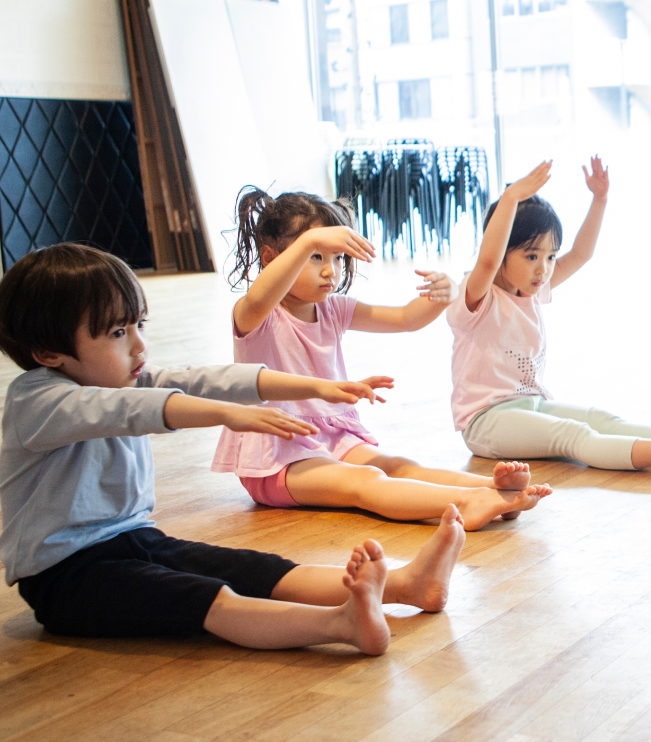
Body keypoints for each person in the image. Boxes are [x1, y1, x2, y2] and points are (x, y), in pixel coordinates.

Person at [0, 243, 470, 655]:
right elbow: (134, 410)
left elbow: (211, 379)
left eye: (139, 325)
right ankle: (339, 625)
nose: (139, 347)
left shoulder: (122, 377)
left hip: (134, 539)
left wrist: (318, 387)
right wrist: (229, 415)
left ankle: (408, 585)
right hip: (65, 578)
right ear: (49, 353)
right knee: (206, 597)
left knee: (252, 569)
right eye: (118, 333)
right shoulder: (38, 401)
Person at [212, 188, 552, 530]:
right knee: (365, 482)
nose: (331, 271)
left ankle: (493, 490)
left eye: (337, 258)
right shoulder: (255, 314)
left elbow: (405, 318)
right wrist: (310, 240)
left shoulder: (332, 309)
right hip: (274, 457)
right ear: (270, 257)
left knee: (396, 465)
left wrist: (444, 294)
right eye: (315, 256)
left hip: (331, 436)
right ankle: (468, 504)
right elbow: (258, 298)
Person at [447, 157, 651, 474]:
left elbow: (581, 254)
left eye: (550, 256)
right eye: (531, 256)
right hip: (485, 422)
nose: (543, 269)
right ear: (503, 247)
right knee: (573, 434)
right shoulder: (477, 296)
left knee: (599, 419)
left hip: (532, 404)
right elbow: (488, 262)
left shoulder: (530, 290)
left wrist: (600, 200)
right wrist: (511, 197)